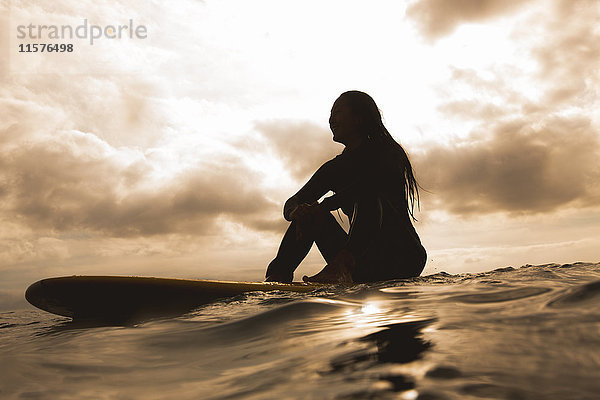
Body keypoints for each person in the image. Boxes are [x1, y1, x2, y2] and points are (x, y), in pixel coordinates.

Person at [265, 90, 426, 284]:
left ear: (358, 118)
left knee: (367, 195)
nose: (331, 120)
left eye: (338, 112)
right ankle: (277, 277)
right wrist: (297, 212)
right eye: (330, 114)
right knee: (308, 215)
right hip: (364, 262)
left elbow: (367, 186)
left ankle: (342, 265)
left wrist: (324, 205)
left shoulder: (388, 153)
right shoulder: (335, 168)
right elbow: (294, 201)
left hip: (402, 258)